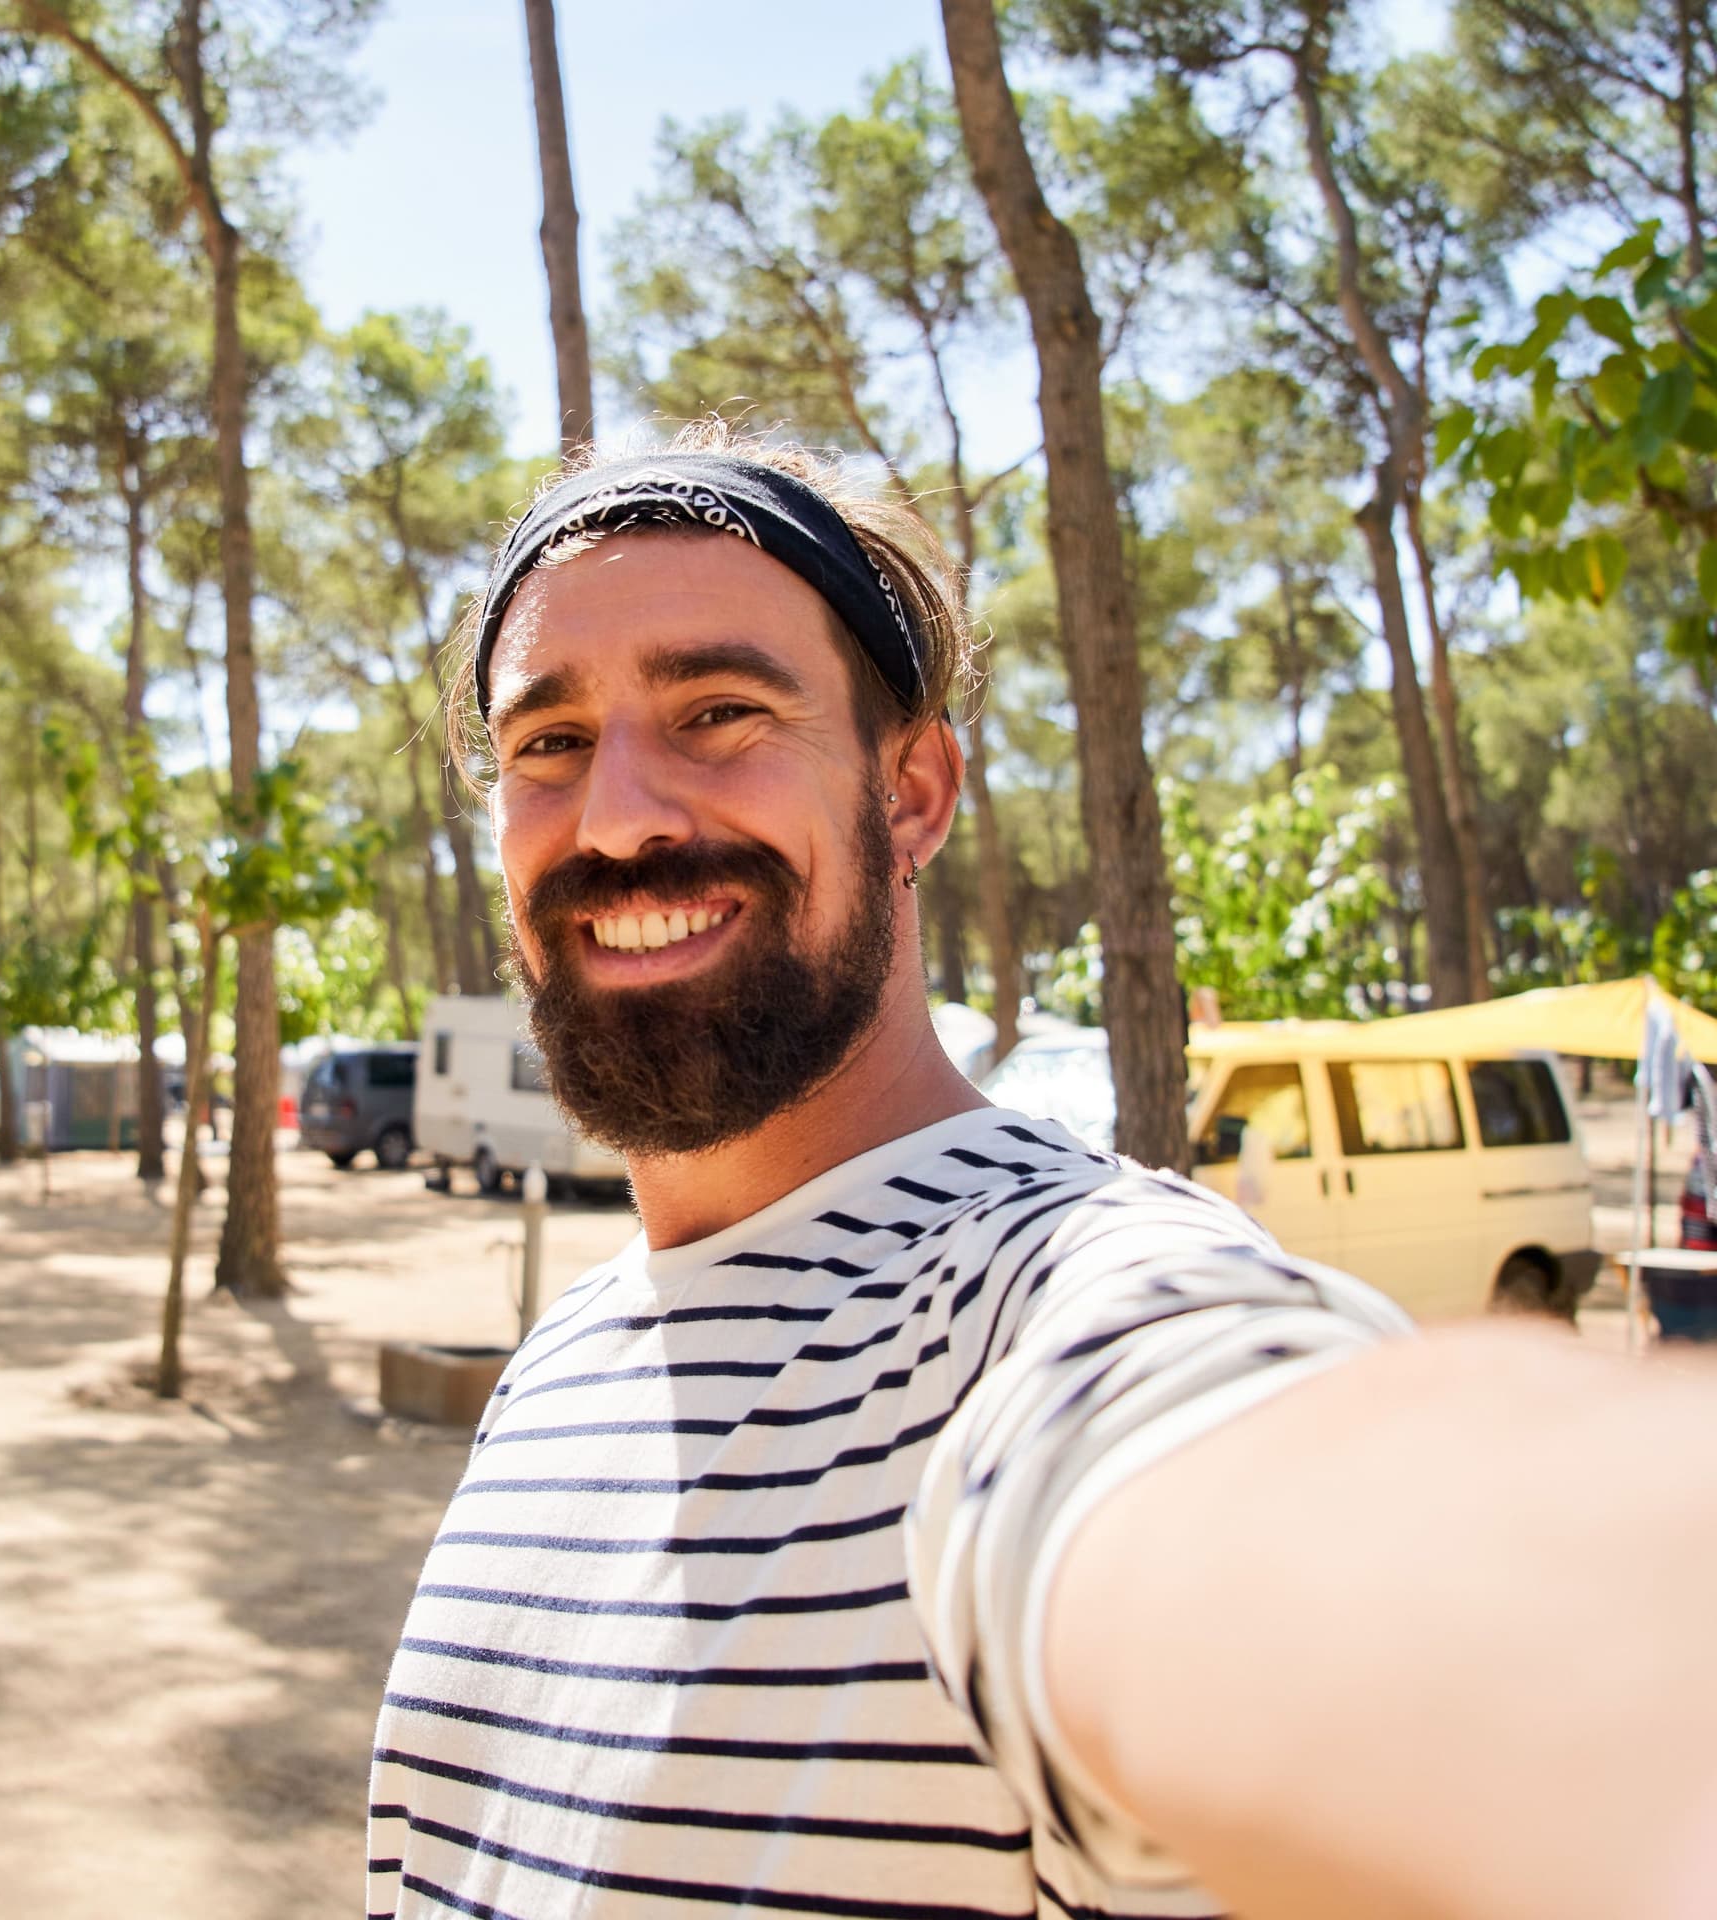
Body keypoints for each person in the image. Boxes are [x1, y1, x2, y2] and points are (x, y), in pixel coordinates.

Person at [368, 429, 1717, 1920]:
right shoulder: (559, 1369)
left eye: (722, 710)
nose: (619, 812)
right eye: (547, 744)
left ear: (916, 795)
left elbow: (1257, 1508)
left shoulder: (1049, 1308)